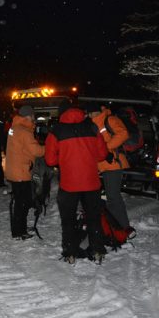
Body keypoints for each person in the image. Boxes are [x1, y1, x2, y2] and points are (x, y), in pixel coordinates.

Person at [45, 99, 109, 264]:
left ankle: (70, 252)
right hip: (91, 182)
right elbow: (102, 155)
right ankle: (97, 250)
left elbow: (50, 160)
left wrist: (65, 157)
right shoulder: (92, 127)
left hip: (69, 184)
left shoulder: (56, 131)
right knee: (94, 218)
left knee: (68, 220)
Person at [86, 102, 132, 231]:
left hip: (113, 164)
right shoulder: (92, 124)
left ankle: (124, 227)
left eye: (89, 113)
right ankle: (113, 225)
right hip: (100, 166)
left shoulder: (109, 119)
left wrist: (106, 149)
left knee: (113, 197)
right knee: (107, 198)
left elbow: (123, 134)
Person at [5, 105, 45, 239]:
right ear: (28, 116)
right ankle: (18, 232)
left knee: (21, 202)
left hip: (14, 170)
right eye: (33, 116)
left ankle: (19, 227)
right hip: (21, 172)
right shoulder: (24, 131)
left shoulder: (14, 128)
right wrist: (47, 148)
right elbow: (36, 151)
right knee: (23, 203)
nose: (34, 119)